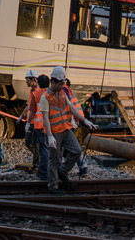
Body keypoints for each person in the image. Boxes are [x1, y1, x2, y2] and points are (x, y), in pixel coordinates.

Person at [39, 66, 95, 195]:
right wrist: (49, 136)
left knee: (76, 150)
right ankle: (53, 186)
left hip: (66, 129)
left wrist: (84, 120)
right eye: (60, 83)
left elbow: (71, 108)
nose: (61, 86)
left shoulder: (63, 93)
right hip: (55, 132)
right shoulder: (45, 97)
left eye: (62, 83)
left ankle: (62, 172)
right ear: (52, 82)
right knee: (55, 159)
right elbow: (45, 118)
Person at [62, 77, 89, 177]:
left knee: (73, 147)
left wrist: (73, 121)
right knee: (76, 147)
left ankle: (81, 167)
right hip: (78, 122)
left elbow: (70, 108)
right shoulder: (70, 92)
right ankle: (83, 167)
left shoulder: (64, 90)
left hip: (75, 123)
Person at [18, 70, 39, 173]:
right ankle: (38, 160)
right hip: (31, 122)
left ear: (33, 80)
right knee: (29, 143)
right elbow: (29, 105)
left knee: (34, 144)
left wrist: (28, 122)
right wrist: (22, 115)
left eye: (27, 80)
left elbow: (34, 108)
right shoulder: (32, 91)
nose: (26, 81)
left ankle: (37, 165)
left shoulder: (38, 92)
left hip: (36, 122)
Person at [31, 74, 50, 181]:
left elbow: (32, 111)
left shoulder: (36, 94)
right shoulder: (51, 94)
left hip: (40, 126)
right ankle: (46, 171)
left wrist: (28, 123)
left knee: (44, 150)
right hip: (51, 126)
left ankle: (43, 172)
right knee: (49, 150)